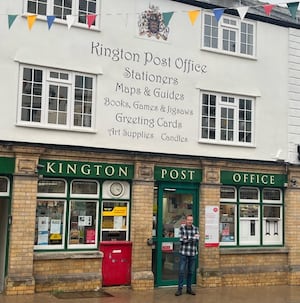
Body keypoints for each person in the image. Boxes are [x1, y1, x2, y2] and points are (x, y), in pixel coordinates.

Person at [175, 214, 199, 296]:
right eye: (188, 220)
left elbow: (197, 239)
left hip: (192, 253)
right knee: (181, 271)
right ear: (186, 221)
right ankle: (180, 289)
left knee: (190, 272)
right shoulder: (182, 228)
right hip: (183, 253)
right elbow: (181, 240)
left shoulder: (196, 228)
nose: (190, 221)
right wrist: (192, 238)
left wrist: (187, 239)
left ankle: (189, 289)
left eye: (191, 220)